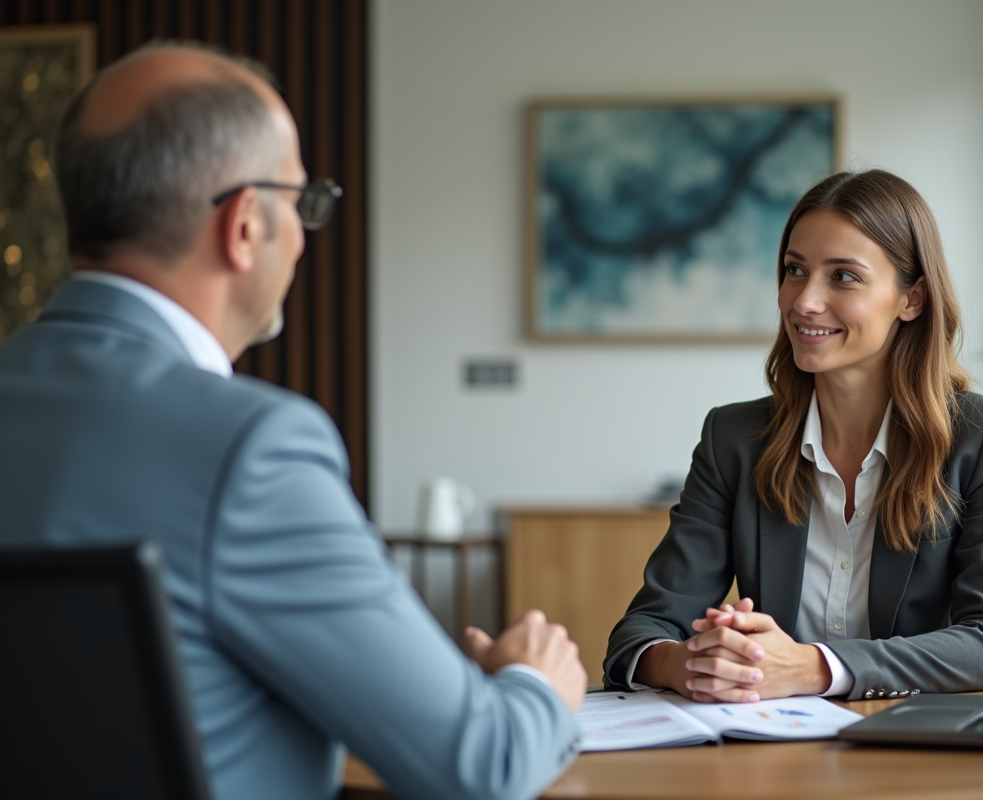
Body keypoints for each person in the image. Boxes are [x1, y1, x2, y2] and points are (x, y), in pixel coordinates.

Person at [0, 43, 585, 800]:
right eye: (301, 203)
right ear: (244, 226)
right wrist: (536, 683)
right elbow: (481, 768)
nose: (305, 236)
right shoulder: (251, 450)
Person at [604, 170, 983, 704]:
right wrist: (700, 661)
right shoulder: (734, 439)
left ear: (913, 299)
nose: (804, 301)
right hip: (776, 755)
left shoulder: (982, 437)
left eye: (844, 277)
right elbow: (642, 631)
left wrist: (817, 667)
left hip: (922, 758)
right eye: (794, 270)